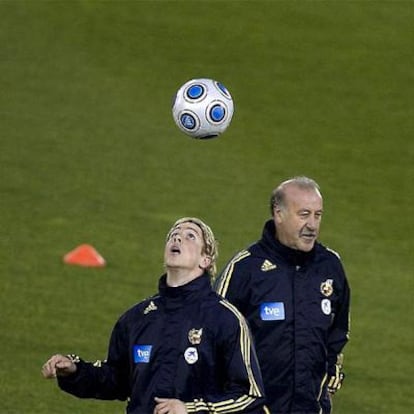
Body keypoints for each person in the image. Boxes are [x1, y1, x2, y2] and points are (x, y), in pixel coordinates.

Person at [42, 217, 267, 414]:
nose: (177, 239)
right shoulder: (136, 318)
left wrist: (190, 409)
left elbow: (249, 396)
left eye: (190, 236)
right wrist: (74, 370)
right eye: (173, 235)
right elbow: (116, 379)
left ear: (205, 260)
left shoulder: (225, 319)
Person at [214, 177, 351, 414]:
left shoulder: (330, 266)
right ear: (279, 214)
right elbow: (212, 339)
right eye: (304, 214)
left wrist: (329, 378)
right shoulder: (244, 270)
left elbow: (337, 333)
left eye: (318, 215)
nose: (313, 225)